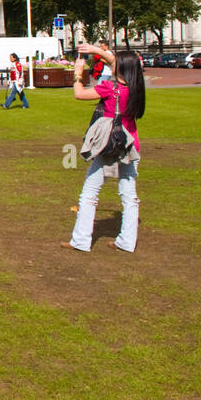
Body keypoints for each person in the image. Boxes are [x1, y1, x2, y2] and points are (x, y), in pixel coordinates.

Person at [63, 45, 145, 253]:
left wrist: (77, 74)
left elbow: (79, 94)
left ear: (121, 68)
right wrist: (94, 50)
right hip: (129, 144)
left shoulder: (111, 88)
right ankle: (127, 241)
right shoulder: (136, 88)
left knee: (89, 193)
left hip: (109, 145)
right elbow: (113, 61)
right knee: (129, 196)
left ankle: (81, 240)